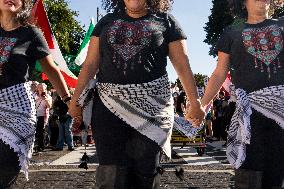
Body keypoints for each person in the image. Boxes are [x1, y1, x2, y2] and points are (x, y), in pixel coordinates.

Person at [69, 0, 205, 188]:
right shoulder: (106, 22)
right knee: (112, 175)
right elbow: (90, 64)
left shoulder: (167, 22)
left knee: (146, 172)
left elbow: (182, 63)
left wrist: (194, 102)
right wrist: (75, 101)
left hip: (153, 110)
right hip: (108, 109)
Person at [189, 0, 284, 188]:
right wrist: (201, 104)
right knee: (248, 174)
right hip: (249, 116)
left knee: (277, 175)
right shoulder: (231, 32)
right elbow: (219, 73)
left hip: (281, 114)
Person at [0, 0, 71, 187]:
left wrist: (68, 100)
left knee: (5, 172)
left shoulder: (30, 33)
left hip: (18, 111)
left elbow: (51, 69)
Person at [35, 83, 52, 151]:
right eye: (39, 88)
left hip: (42, 115)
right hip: (34, 115)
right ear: (37, 88)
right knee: (35, 131)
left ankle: (41, 146)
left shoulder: (48, 96)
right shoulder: (34, 95)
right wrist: (39, 98)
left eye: (42, 88)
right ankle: (35, 144)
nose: (41, 89)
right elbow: (32, 104)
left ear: (45, 89)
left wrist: (45, 99)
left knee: (41, 131)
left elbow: (49, 106)